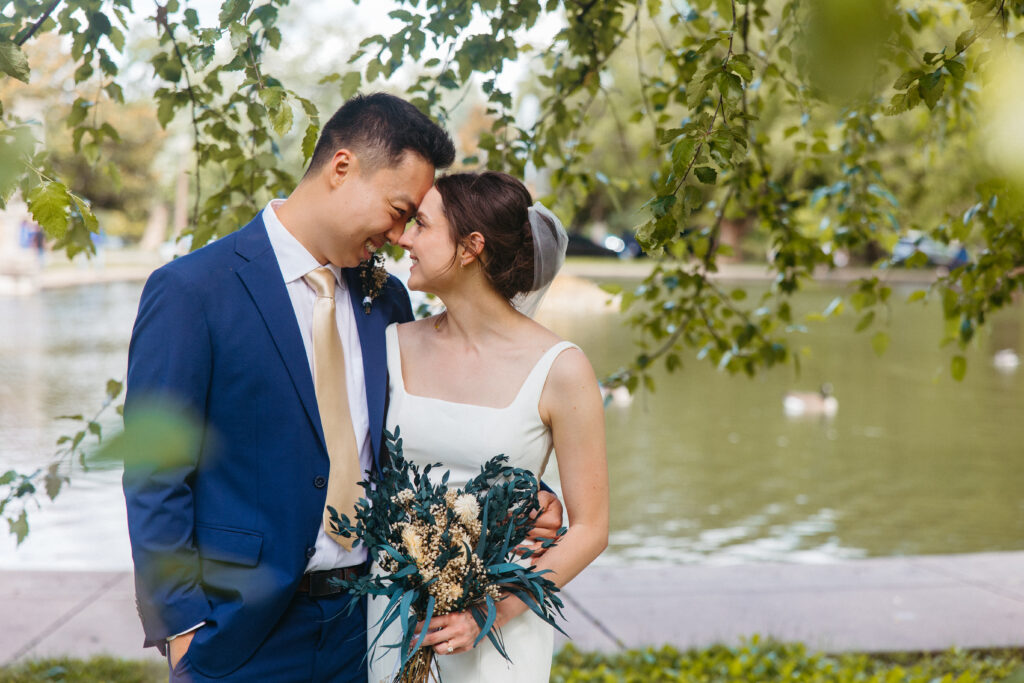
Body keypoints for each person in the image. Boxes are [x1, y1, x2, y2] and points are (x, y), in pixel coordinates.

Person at [122, 94, 563, 682]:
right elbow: (155, 474)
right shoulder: (192, 291)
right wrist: (182, 630)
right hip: (239, 634)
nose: (401, 233)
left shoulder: (388, 301)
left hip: (370, 624)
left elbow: (420, 447)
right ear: (342, 168)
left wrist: (517, 501)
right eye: (399, 208)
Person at [366, 171, 609, 682]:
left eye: (422, 225)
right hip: (393, 613)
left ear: (471, 247)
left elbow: (591, 529)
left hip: (500, 629)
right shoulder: (390, 346)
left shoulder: (561, 368)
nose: (403, 237)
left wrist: (490, 611)